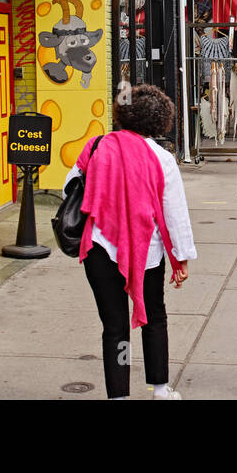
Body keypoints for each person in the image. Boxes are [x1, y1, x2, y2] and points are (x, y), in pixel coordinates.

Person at [68, 85, 196, 400]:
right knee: (155, 316)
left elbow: (69, 188)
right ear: (160, 121)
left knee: (114, 326)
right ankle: (161, 388)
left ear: (122, 114)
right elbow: (175, 212)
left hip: (100, 247)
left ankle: (119, 395)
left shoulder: (96, 146)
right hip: (147, 253)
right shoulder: (163, 159)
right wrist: (181, 257)